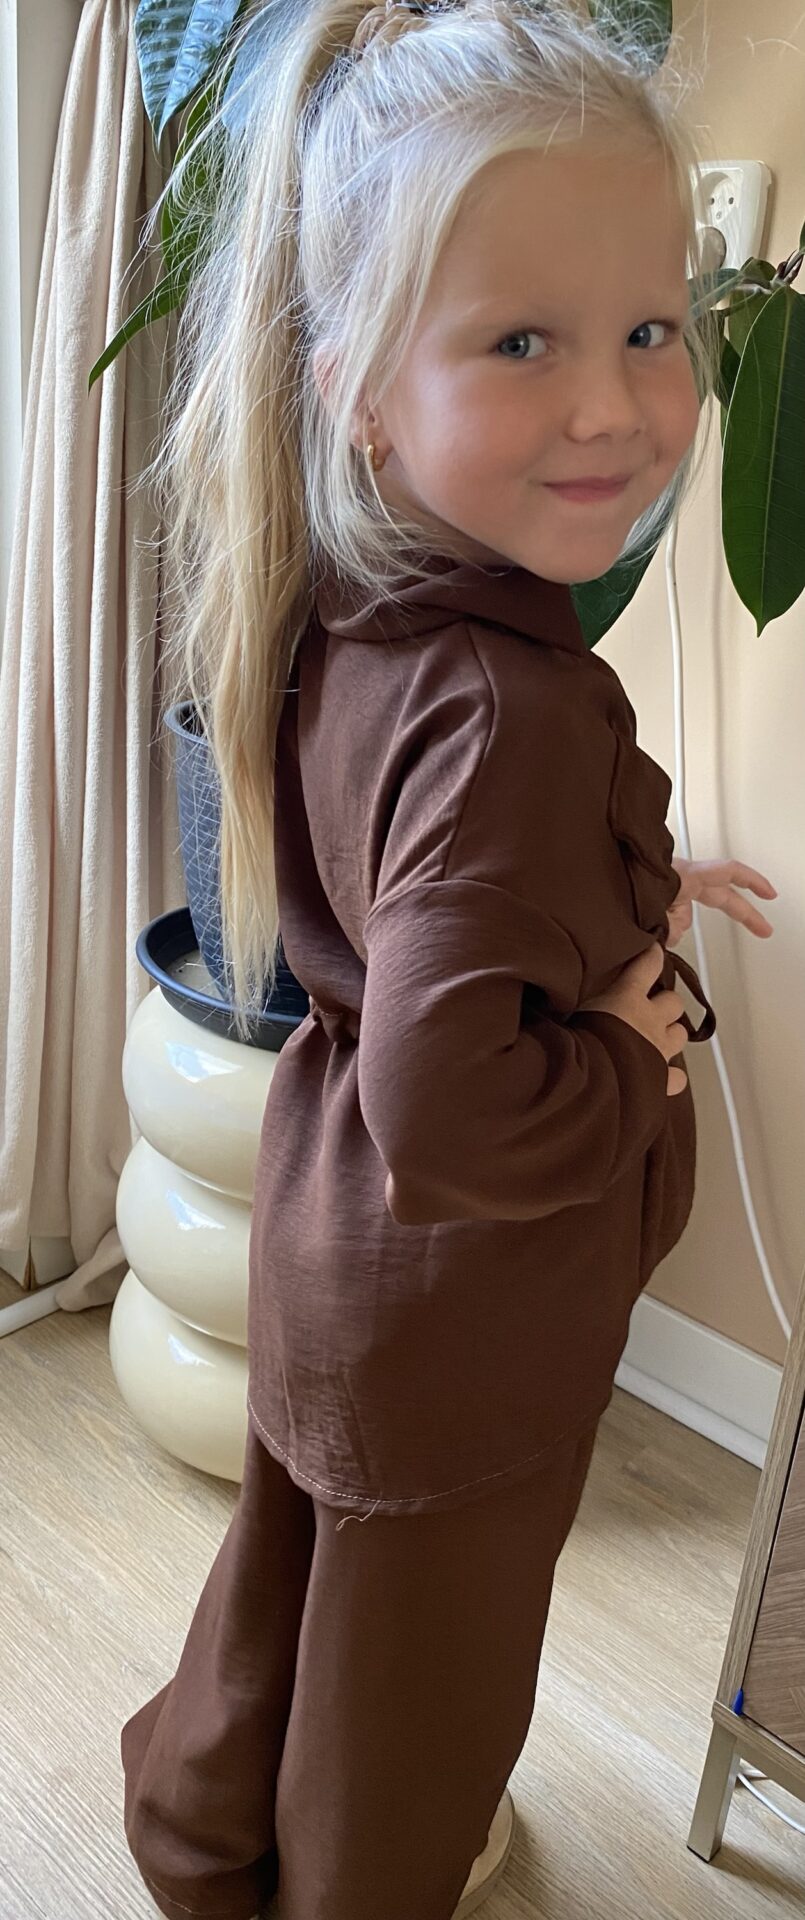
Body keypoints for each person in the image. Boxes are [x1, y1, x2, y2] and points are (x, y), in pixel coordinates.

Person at [120, 4, 778, 1918]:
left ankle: (201, 1832)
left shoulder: (356, 597)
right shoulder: (505, 711)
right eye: (519, 343)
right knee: (421, 1693)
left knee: (298, 1581)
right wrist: (627, 1053)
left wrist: (622, 887)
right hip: (457, 1302)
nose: (613, 407)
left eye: (648, 328)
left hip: (334, 1246)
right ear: (360, 391)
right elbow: (452, 1102)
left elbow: (428, 884)